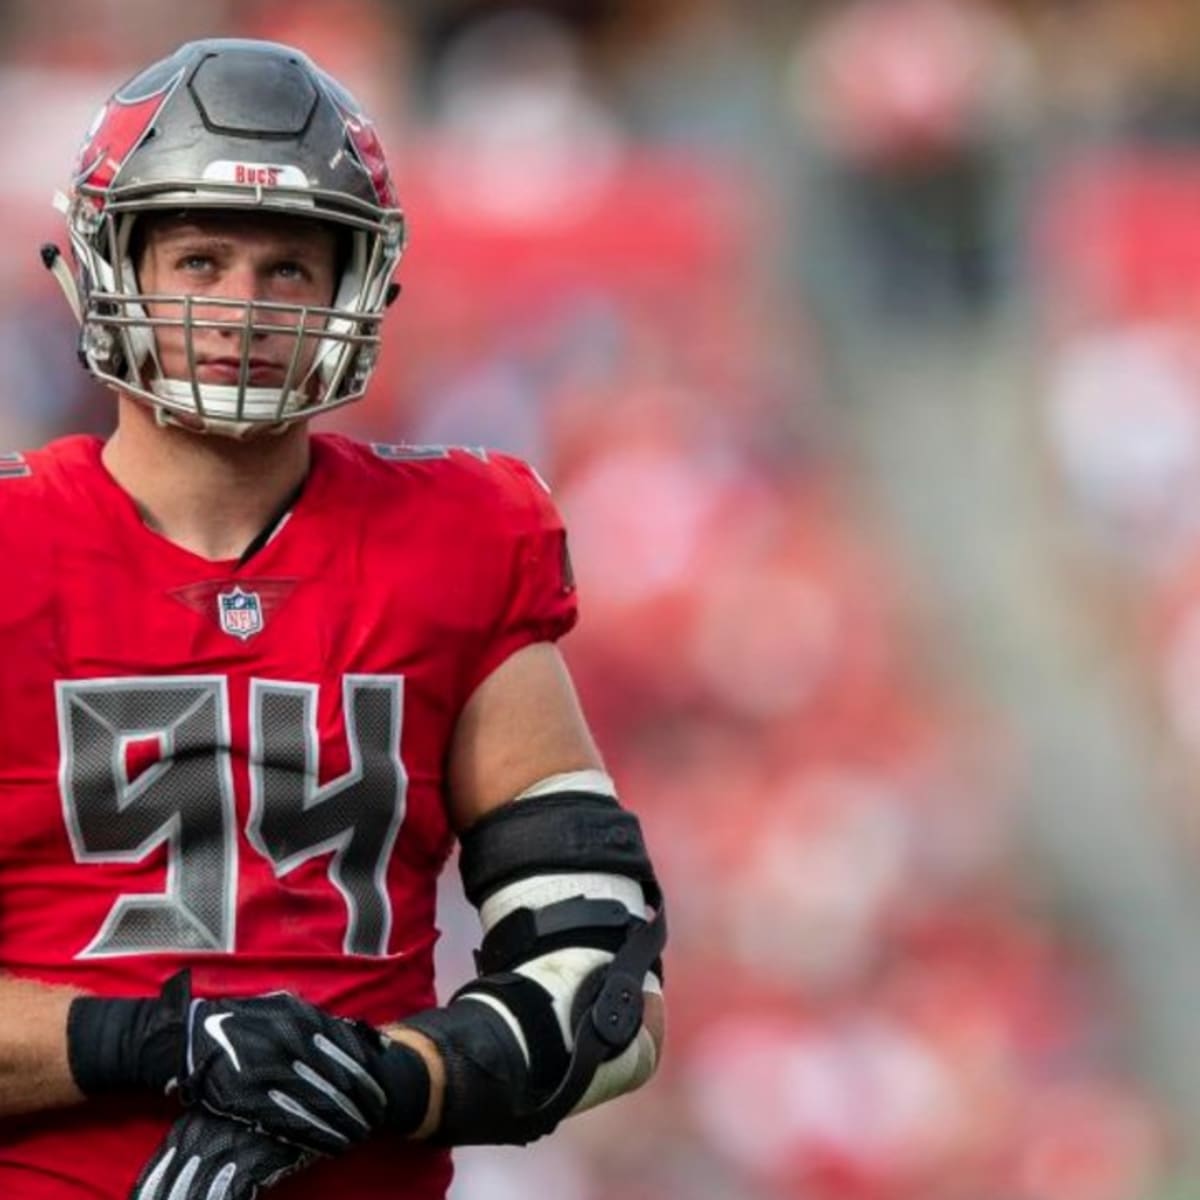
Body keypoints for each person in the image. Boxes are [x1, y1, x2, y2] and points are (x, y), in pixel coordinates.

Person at [0, 38, 665, 1200]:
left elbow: (605, 984)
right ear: (110, 265)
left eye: (287, 271)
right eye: (199, 259)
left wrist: (374, 1079)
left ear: (355, 288)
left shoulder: (462, 536)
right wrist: (167, 1045)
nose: (240, 309)